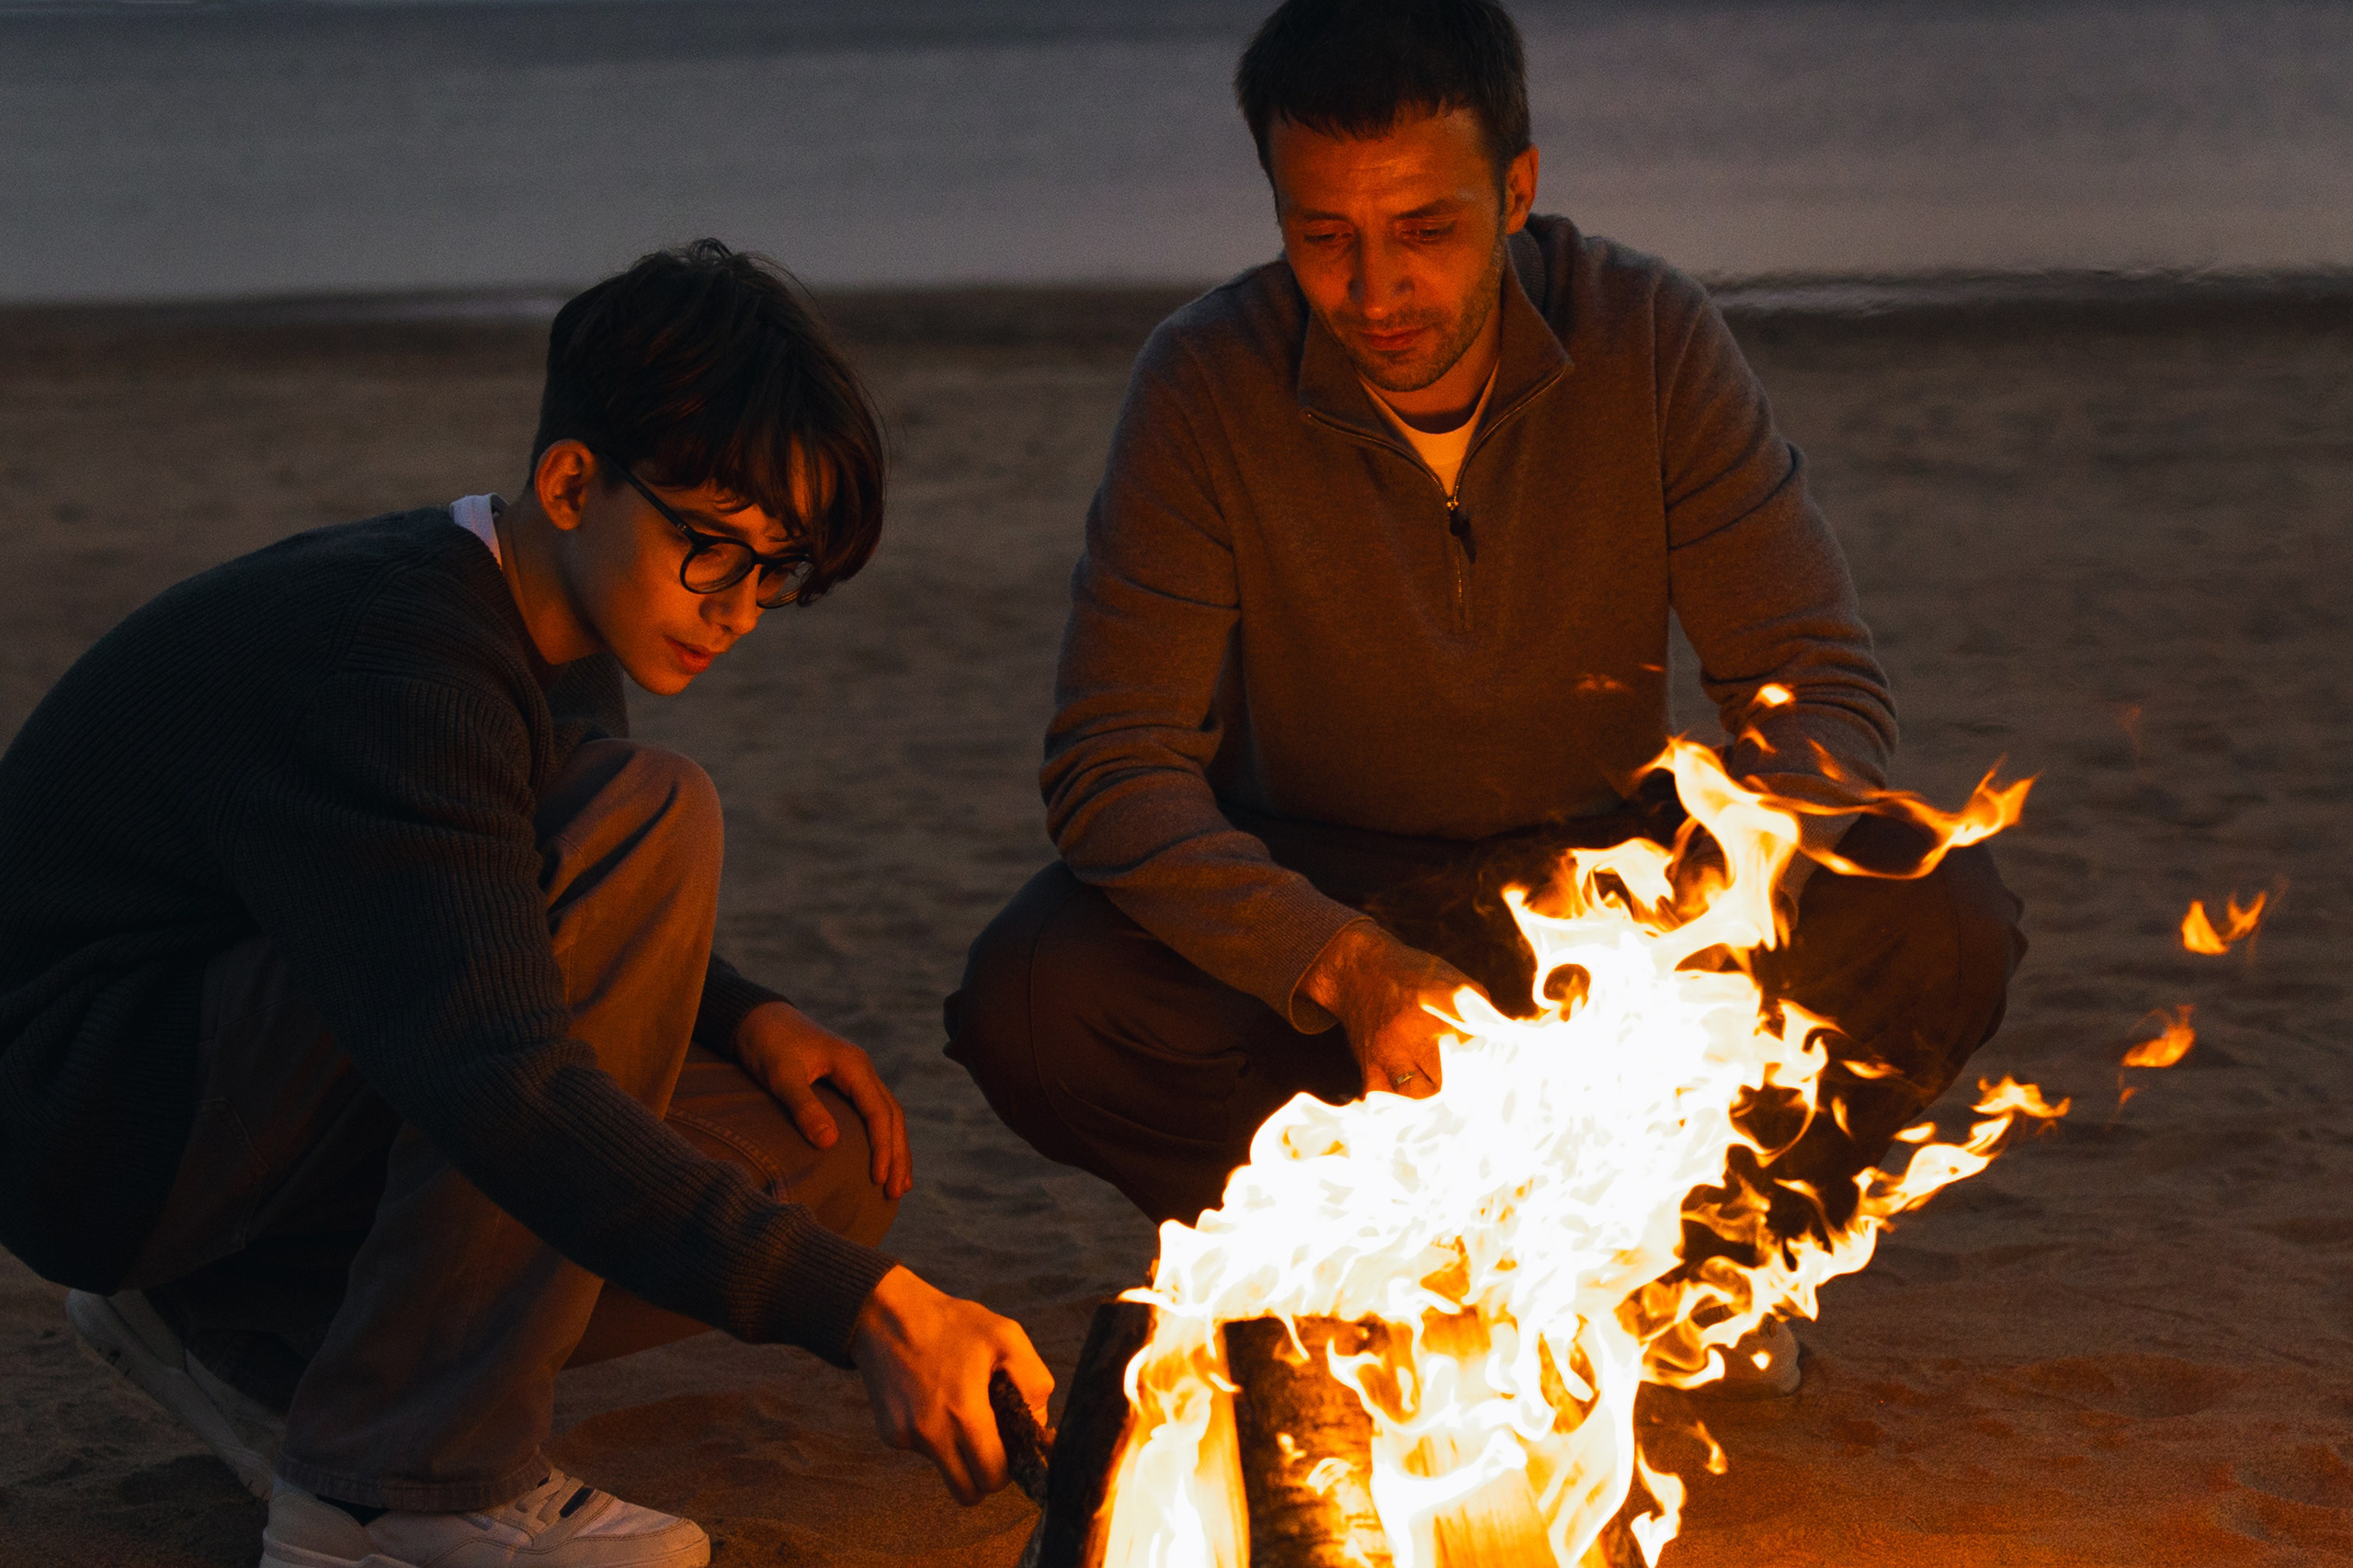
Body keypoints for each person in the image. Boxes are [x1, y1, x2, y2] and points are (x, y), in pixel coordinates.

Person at [946, 0, 2024, 1393]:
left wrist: (1693, 903)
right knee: (1037, 994)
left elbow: (1818, 684)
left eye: (1426, 229)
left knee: (1939, 911)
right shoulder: (1206, 384)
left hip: (1604, 878)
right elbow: (1112, 767)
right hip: (1323, 899)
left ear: (1518, 188)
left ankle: (1689, 1279)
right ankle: (1364, 1270)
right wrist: (1341, 963)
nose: (1376, 289)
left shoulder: (1646, 339)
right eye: (1322, 234)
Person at [0, 240, 1051, 1568]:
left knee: (816, 1157)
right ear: (571, 482)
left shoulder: (547, 636)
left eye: (773, 575)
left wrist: (745, 1010)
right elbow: (495, 1063)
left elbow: (468, 884)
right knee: (658, 813)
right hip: (97, 1116)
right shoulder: (404, 657)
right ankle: (388, 1492)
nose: (736, 610)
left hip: (249, 1082)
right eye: (709, 550)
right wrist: (865, 1313)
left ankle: (245, 1330)